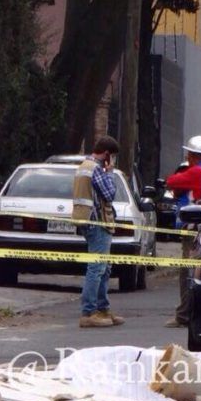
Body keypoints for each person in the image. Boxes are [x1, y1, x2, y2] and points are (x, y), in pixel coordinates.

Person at [164, 135, 201, 328]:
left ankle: (184, 315)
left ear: (193, 155)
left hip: (193, 227)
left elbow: (171, 181)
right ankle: (191, 313)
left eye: (189, 153)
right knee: (196, 272)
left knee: (187, 273)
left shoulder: (196, 172)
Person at [73, 136, 126, 328]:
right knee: (96, 268)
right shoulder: (97, 168)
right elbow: (109, 193)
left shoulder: (84, 166)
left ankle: (103, 308)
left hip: (89, 220)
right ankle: (89, 312)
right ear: (107, 155)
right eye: (112, 158)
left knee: (104, 268)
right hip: (97, 222)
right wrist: (110, 172)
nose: (112, 162)